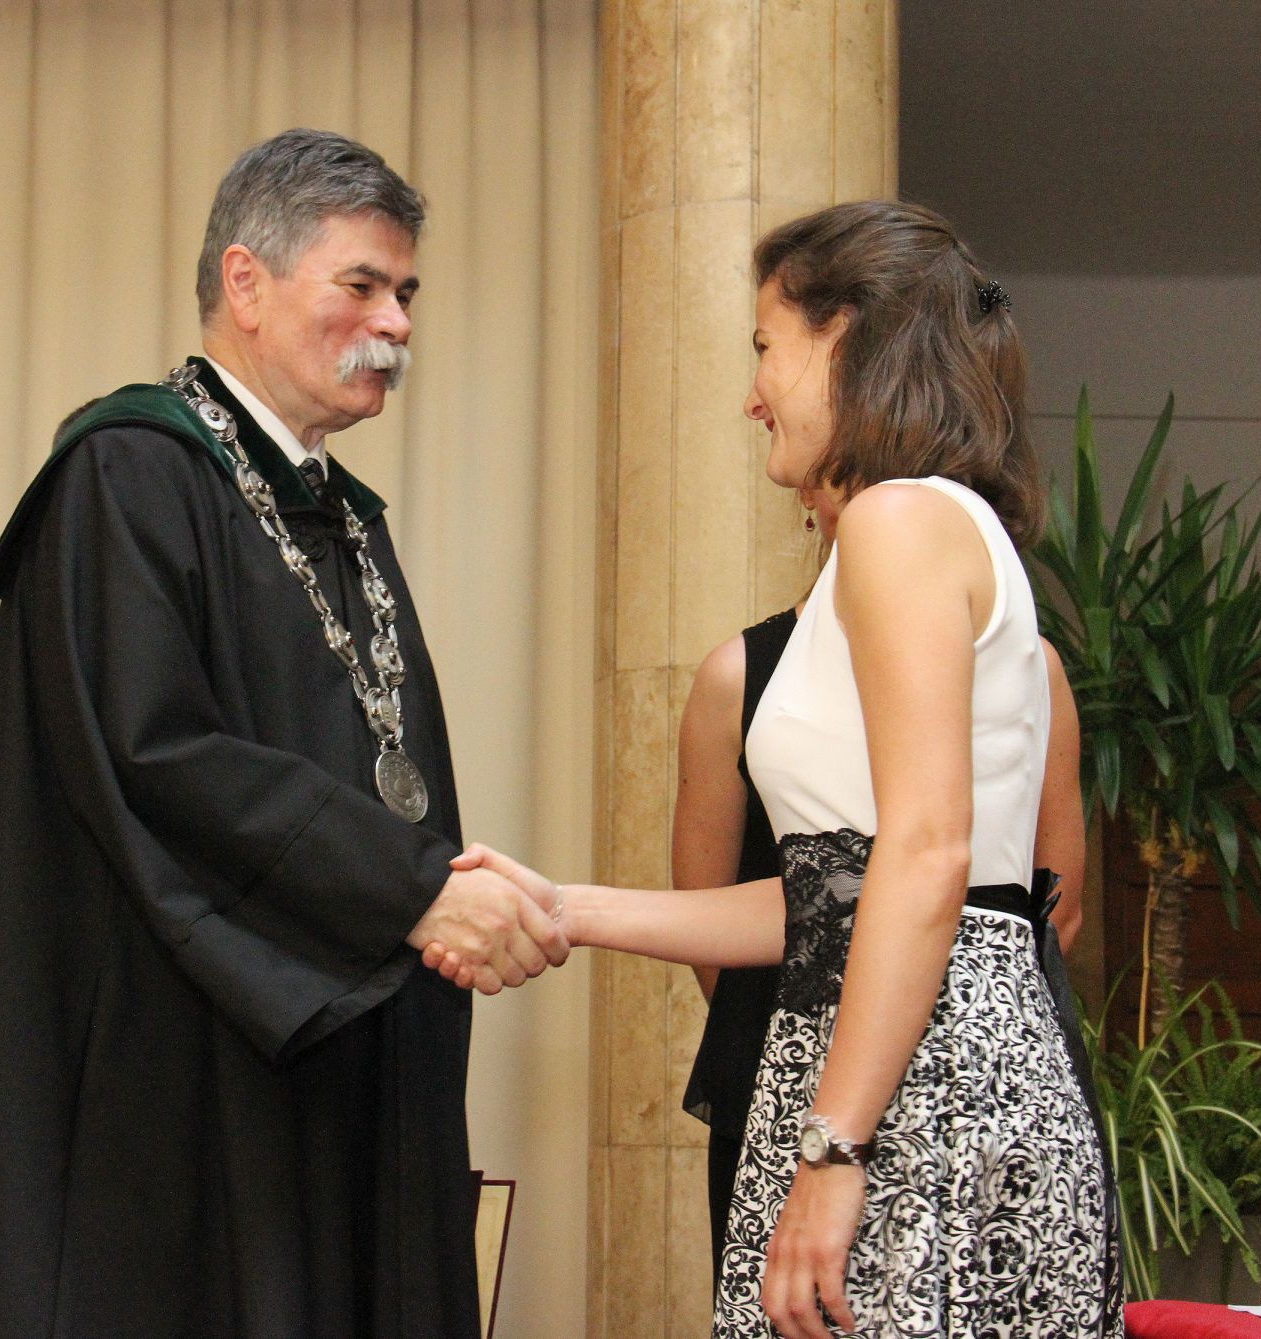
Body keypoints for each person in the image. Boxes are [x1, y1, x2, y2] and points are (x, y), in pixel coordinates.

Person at [0, 129, 564, 1339]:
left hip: (328, 1024)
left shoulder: (337, 516)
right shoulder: (128, 473)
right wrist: (406, 890)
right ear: (245, 282)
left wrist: (423, 896)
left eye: (405, 293)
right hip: (177, 1074)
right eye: (363, 285)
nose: (396, 324)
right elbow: (156, 757)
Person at [435, 201, 1122, 1337]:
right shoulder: (904, 538)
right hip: (893, 1062)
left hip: (921, 1085)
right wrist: (567, 908)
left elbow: (927, 854)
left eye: (764, 345)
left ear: (842, 335)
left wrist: (836, 1147)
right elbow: (836, 892)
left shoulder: (899, 520)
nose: (752, 393)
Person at [675, 601, 1088, 1283]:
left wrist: (930, 1052)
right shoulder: (740, 671)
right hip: (780, 1075)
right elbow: (708, 913)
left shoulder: (1028, 666)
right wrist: (806, 1048)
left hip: (967, 1088)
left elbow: (1052, 911)